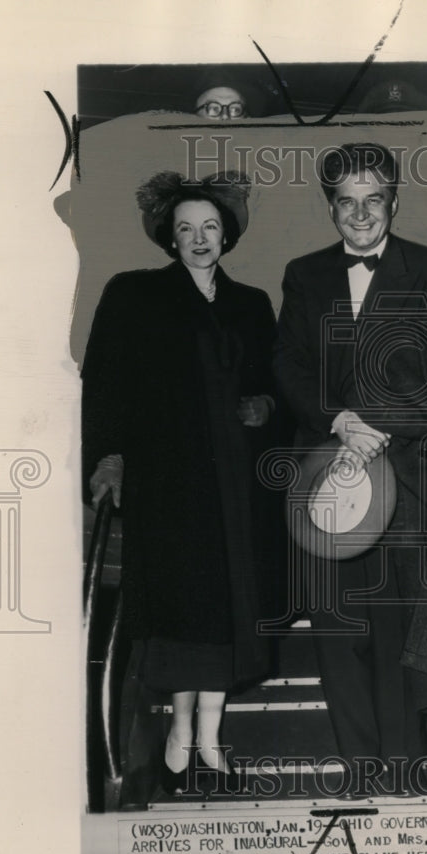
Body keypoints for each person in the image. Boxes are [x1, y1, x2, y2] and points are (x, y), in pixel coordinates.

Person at [273, 142, 427, 797]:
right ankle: (358, 768)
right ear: (331, 209)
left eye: (372, 199)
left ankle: (404, 769)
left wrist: (383, 428)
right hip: (323, 469)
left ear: (393, 201)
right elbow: (289, 364)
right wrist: (339, 422)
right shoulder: (303, 273)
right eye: (345, 203)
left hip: (405, 468)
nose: (359, 214)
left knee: (394, 623)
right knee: (334, 623)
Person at [82, 170, 280, 802]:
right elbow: (106, 383)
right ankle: (178, 738)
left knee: (227, 610)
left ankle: (212, 741)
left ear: (228, 236)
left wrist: (266, 409)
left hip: (237, 489)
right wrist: (108, 458)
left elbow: (274, 384)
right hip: (169, 486)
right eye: (186, 229)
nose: (199, 239)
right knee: (182, 609)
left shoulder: (252, 304)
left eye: (211, 228)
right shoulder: (133, 295)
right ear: (169, 237)